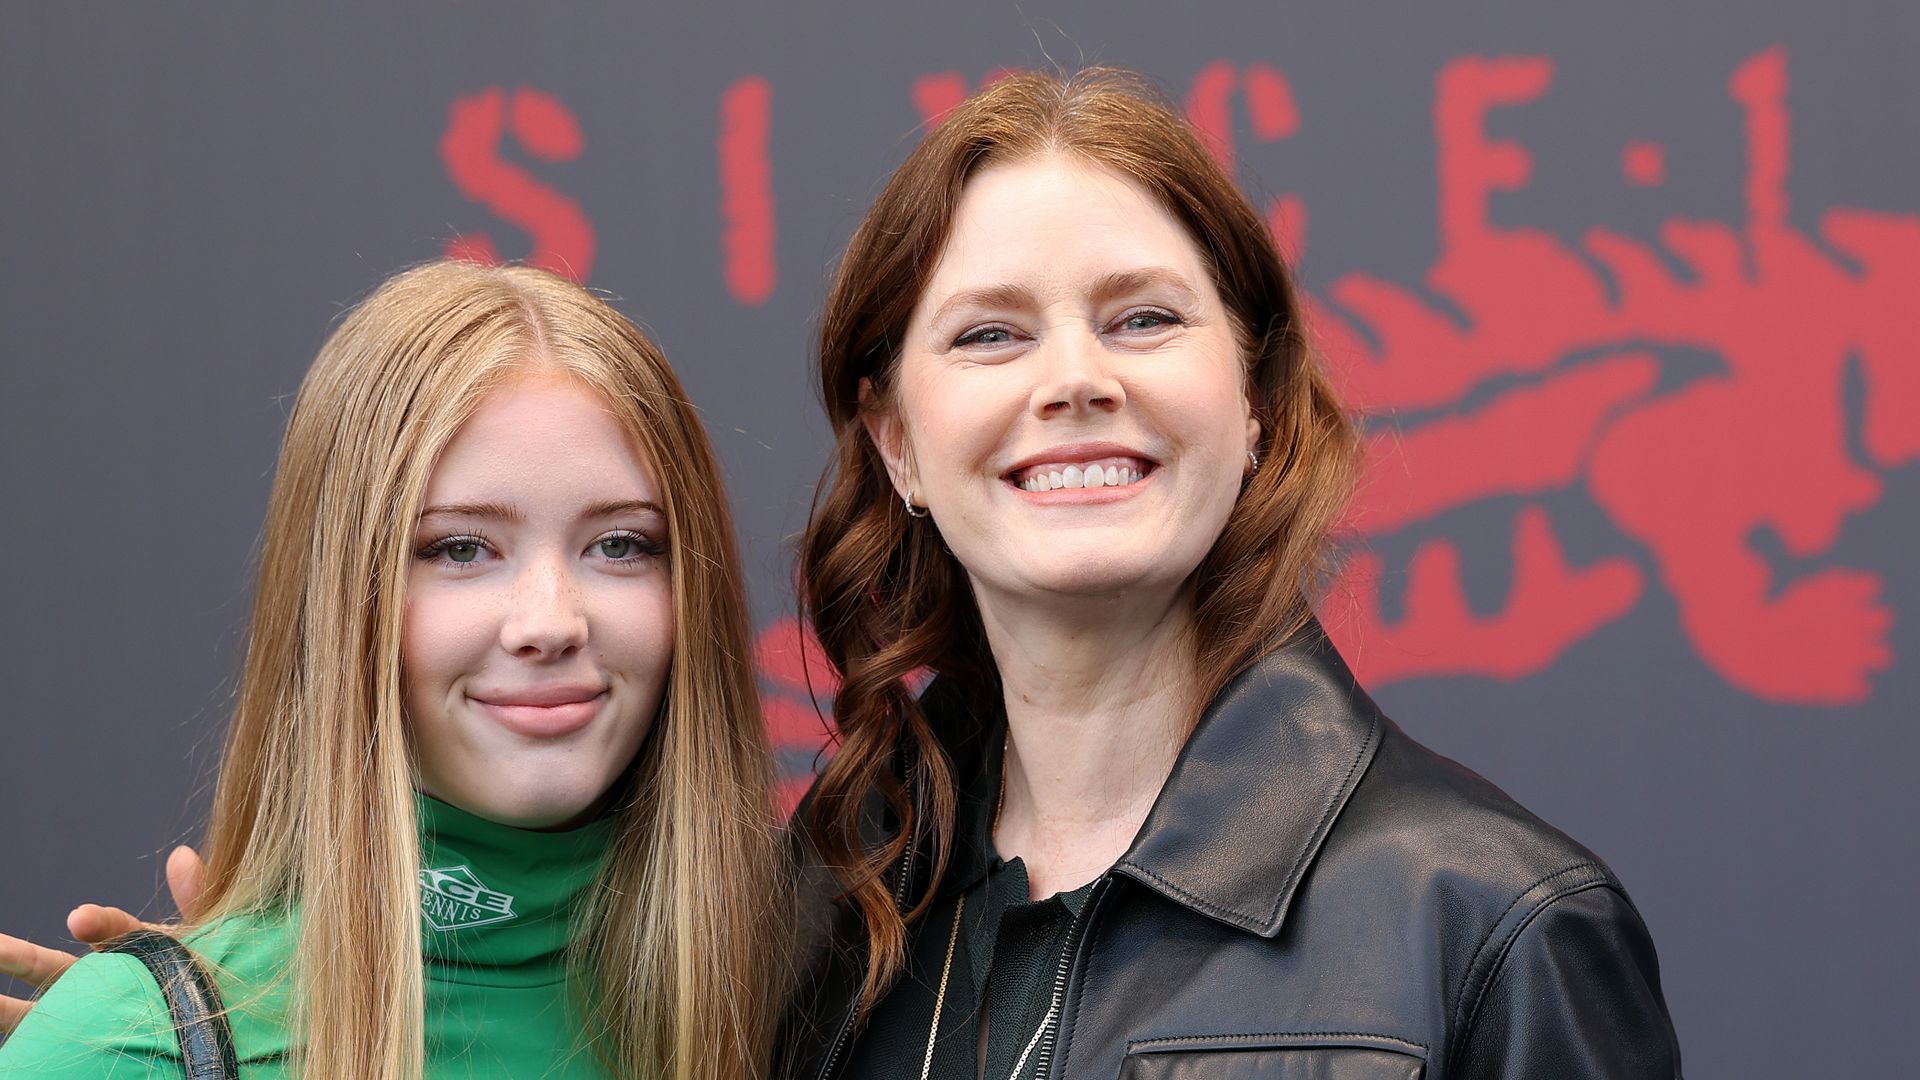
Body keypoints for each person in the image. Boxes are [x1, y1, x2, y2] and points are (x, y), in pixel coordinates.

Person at [779, 69, 1682, 1079]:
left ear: (1254, 397)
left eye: (1144, 319)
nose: (1077, 378)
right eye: (991, 334)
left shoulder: (1490, 929)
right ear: (897, 440)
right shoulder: (817, 914)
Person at [0, 261, 781, 1079]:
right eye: (459, 548)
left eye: (619, 545)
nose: (551, 621)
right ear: (342, 596)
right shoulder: (133, 1044)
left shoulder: (828, 994)